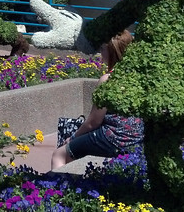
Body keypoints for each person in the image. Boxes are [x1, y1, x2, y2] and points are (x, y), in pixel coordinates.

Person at [50, 30, 144, 170]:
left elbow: (93, 122)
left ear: (111, 52)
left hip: (113, 138)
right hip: (137, 138)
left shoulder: (108, 80)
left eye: (102, 49)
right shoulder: (139, 77)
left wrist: (72, 138)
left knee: (59, 155)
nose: (100, 53)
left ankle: (57, 184)